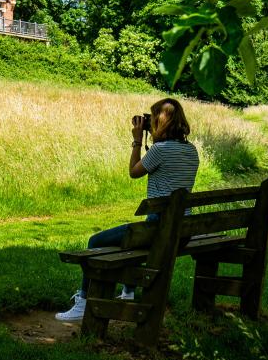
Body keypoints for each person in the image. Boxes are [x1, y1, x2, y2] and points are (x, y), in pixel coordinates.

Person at [55, 97, 200, 322]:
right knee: (132, 241)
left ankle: (84, 302)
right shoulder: (192, 151)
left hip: (157, 230)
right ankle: (128, 293)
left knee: (95, 242)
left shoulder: (160, 150)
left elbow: (134, 172)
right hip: (182, 232)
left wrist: (137, 141)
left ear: (161, 122)